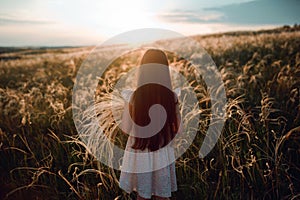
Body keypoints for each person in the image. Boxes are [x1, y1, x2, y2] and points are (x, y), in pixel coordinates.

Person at [119, 49, 181, 200]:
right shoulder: (171, 97)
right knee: (162, 195)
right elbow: (179, 130)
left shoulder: (133, 97)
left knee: (143, 194)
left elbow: (126, 128)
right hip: (162, 150)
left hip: (140, 151)